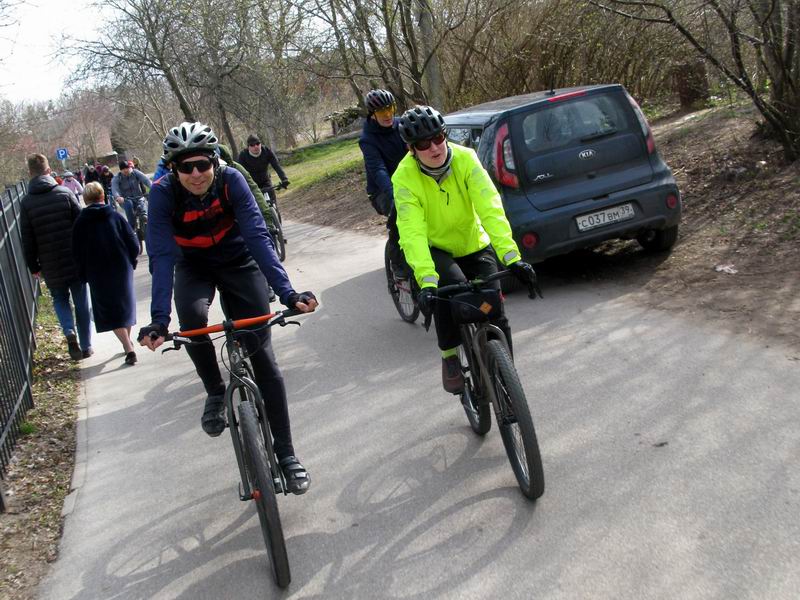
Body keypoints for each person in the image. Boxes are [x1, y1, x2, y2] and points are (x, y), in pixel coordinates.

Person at [138, 121, 316, 494]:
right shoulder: (162, 194)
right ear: (173, 169)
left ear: (215, 162)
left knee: (263, 357)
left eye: (202, 164)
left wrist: (286, 293)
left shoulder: (231, 179)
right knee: (193, 320)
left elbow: (256, 235)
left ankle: (286, 455)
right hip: (193, 266)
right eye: (186, 167)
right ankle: (216, 391)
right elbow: (161, 256)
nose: (196, 174)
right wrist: (158, 320)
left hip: (238, 260)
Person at [391, 106, 538, 393]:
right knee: (450, 293)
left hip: (474, 243)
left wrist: (512, 257)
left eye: (438, 137)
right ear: (412, 149)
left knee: (491, 305)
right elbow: (412, 232)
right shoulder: (404, 178)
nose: (434, 147)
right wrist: (426, 281)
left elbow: (490, 208)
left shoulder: (466, 159)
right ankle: (449, 357)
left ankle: (505, 372)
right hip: (437, 249)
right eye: (423, 143)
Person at [19, 154, 92, 360]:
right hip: (74, 259)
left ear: (30, 173)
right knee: (81, 302)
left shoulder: (26, 203)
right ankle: (86, 345)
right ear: (49, 171)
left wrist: (33, 266)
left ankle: (69, 331)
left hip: (49, 263)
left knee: (59, 299)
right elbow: (82, 227)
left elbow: (27, 238)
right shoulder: (64, 193)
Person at [72, 182, 140, 365]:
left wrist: (82, 274)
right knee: (124, 307)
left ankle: (127, 345)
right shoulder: (115, 216)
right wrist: (133, 259)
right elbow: (132, 241)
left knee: (110, 310)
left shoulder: (80, 223)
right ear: (103, 196)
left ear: (85, 200)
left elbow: (77, 252)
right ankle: (128, 344)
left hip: (96, 271)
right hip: (120, 266)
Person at [358, 88, 410, 277]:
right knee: (399, 212)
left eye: (390, 109)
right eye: (381, 111)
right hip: (381, 191)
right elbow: (378, 170)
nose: (388, 115)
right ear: (373, 115)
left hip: (408, 183)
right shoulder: (367, 140)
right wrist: (394, 192)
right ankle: (396, 261)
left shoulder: (402, 126)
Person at [237, 134, 289, 208]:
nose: (256, 146)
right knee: (257, 206)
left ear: (260, 144)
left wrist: (284, 179)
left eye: (258, 144)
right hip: (251, 183)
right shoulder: (243, 155)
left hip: (265, 181)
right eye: (252, 145)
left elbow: (276, 166)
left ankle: (275, 214)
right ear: (248, 147)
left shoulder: (266, 151)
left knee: (273, 203)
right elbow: (240, 173)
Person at [112, 160, 152, 226]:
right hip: (125, 199)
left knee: (143, 202)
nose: (126, 170)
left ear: (130, 167)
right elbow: (115, 189)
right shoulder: (117, 178)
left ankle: (146, 218)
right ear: (120, 170)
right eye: (123, 169)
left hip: (138, 197)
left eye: (127, 168)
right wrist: (118, 197)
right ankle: (132, 227)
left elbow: (146, 180)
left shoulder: (136, 172)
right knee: (129, 204)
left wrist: (152, 187)